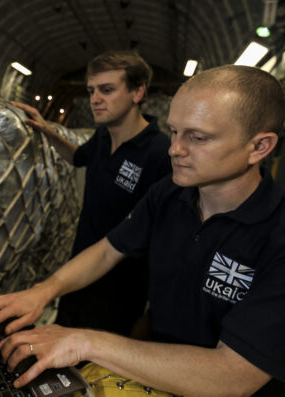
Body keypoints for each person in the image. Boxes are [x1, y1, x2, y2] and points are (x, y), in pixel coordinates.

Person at [0, 65, 285, 396]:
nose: (175, 149)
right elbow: (109, 248)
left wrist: (84, 341)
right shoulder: (171, 193)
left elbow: (235, 375)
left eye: (197, 137)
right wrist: (42, 292)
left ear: (259, 147)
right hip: (148, 376)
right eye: (174, 132)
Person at [10, 50, 171, 337]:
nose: (95, 99)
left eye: (107, 90)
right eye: (91, 91)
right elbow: (78, 157)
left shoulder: (160, 154)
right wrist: (46, 130)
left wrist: (152, 311)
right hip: (77, 273)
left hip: (120, 289)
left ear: (137, 92)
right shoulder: (102, 136)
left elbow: (167, 237)